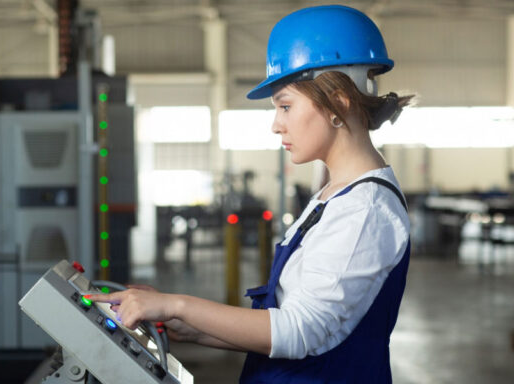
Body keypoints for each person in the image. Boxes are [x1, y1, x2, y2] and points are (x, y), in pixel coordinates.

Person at [88, 5, 413, 383]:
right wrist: (183, 322)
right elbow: (284, 324)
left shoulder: (365, 209)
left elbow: (300, 331)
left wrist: (177, 303)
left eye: (286, 106)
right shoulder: (334, 193)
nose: (277, 125)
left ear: (338, 101)